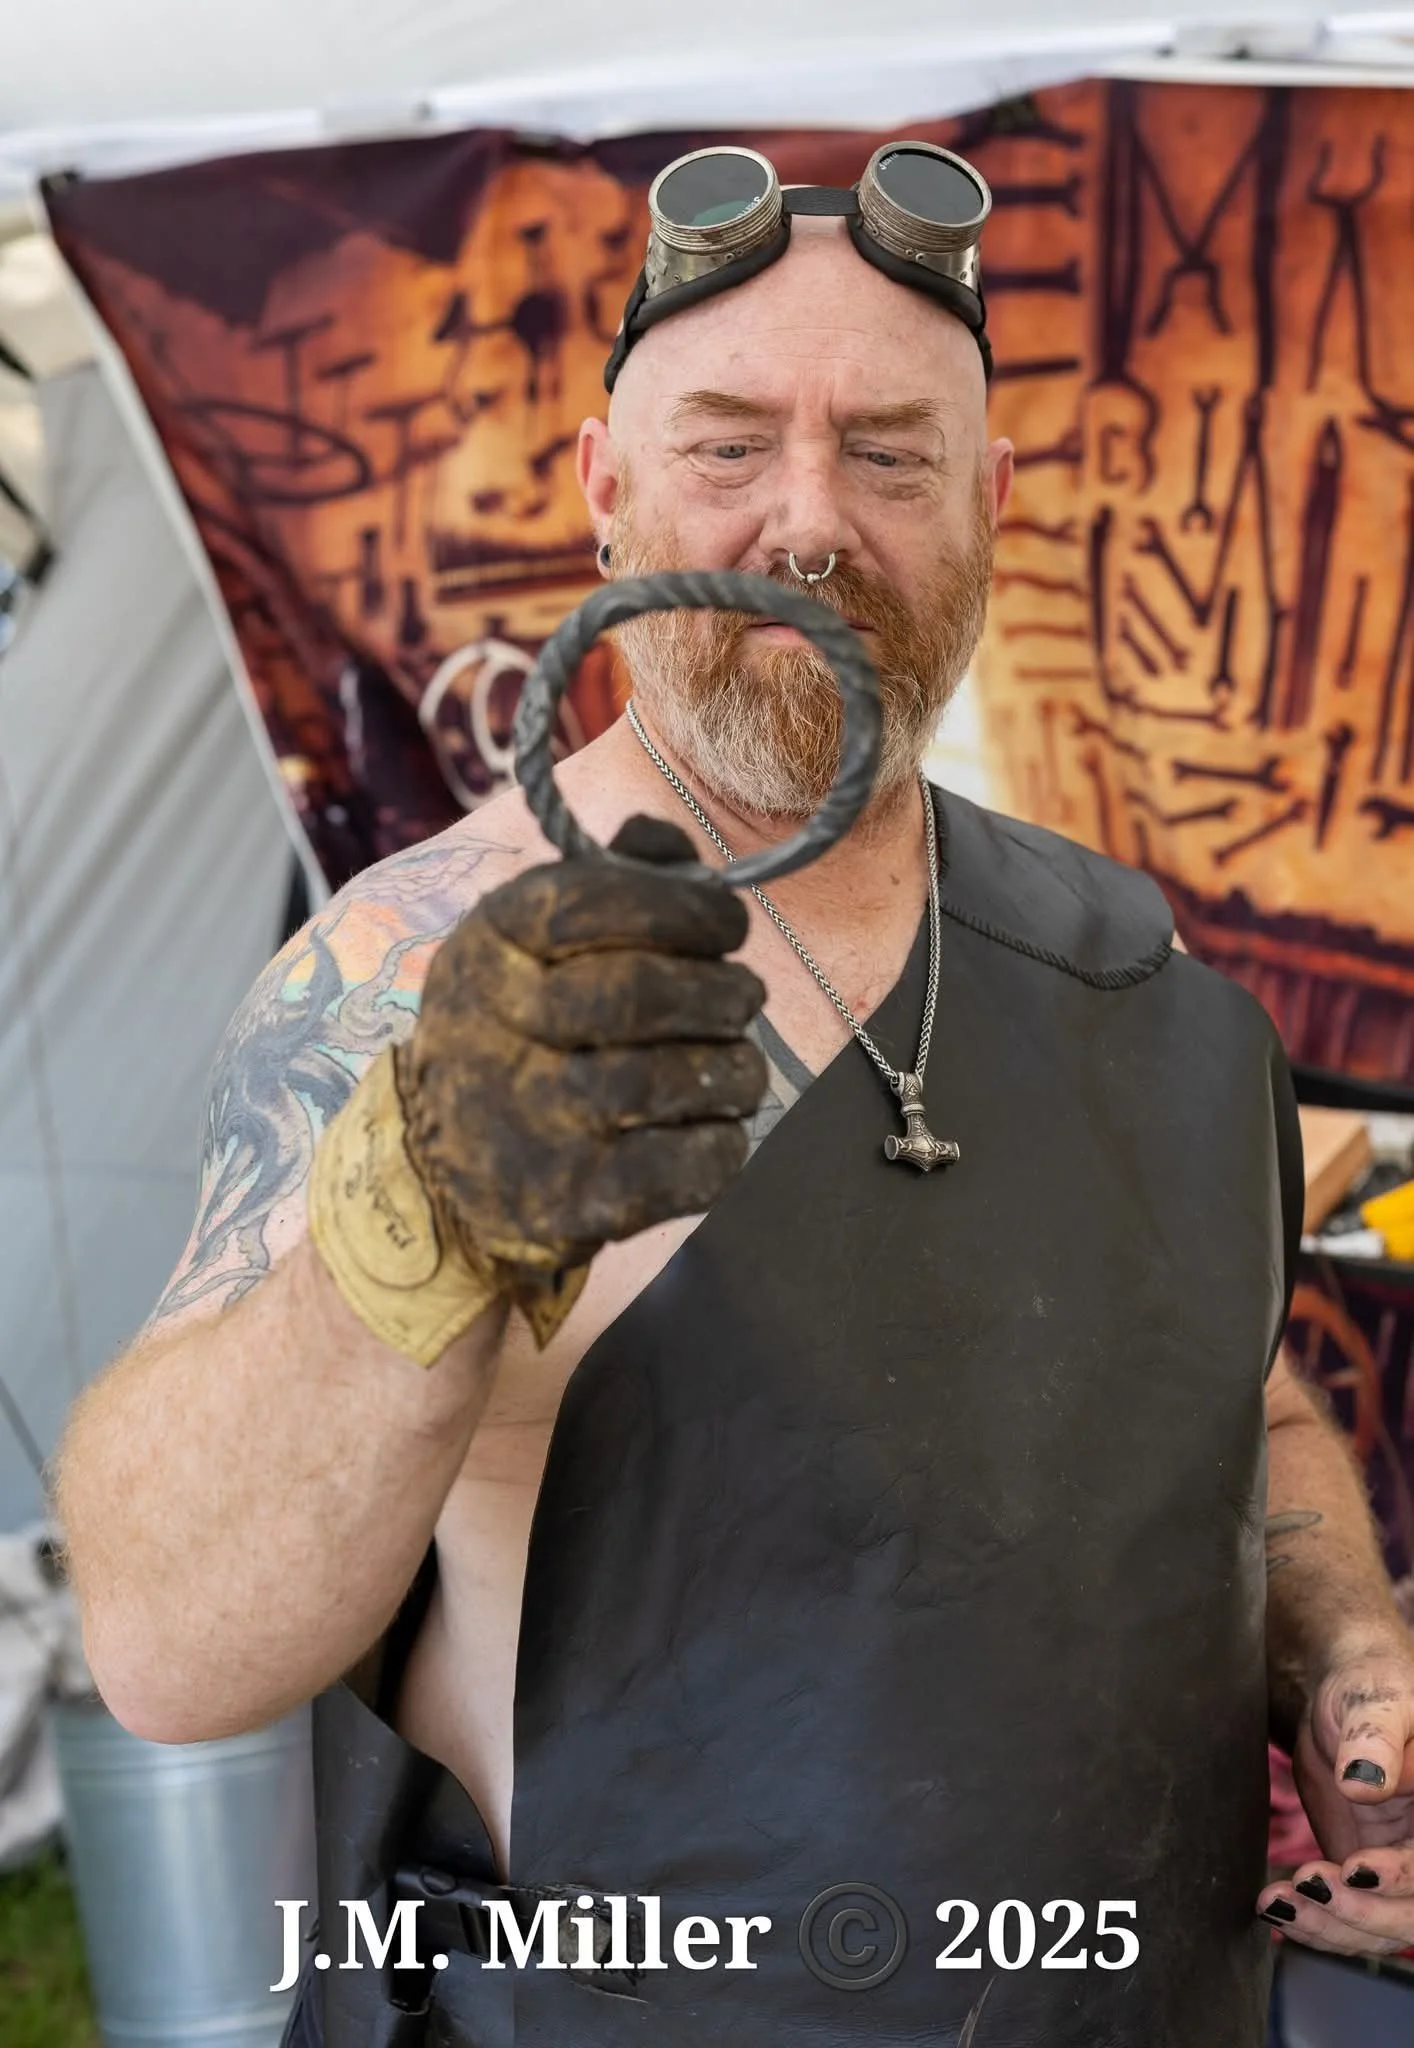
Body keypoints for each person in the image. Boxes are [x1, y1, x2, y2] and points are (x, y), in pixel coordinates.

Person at [54, 142, 1414, 2046]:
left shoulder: (1133, 983)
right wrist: (418, 1218)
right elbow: (169, 1646)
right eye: (725, 444)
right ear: (607, 493)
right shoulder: (418, 985)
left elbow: (1243, 1418)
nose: (805, 520)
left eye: (885, 452)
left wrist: (1347, 1649)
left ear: (987, 506)